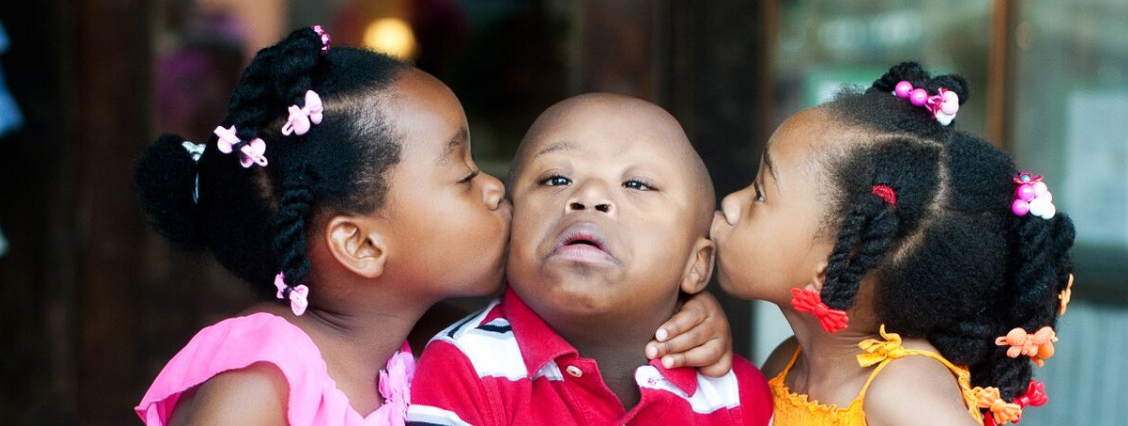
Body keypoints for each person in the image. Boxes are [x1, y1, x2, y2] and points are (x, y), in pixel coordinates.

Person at [134, 27, 731, 426]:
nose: (496, 187)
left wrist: (679, 311)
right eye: (464, 175)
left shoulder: (403, 364)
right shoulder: (260, 383)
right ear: (363, 244)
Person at [711, 62, 1073, 426]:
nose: (730, 204)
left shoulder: (902, 393)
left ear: (837, 262)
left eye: (760, 194)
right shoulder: (785, 365)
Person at [407, 94, 773, 426]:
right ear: (509, 224)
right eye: (556, 179)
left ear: (696, 264)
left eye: (637, 184)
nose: (590, 196)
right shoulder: (466, 367)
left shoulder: (736, 395)